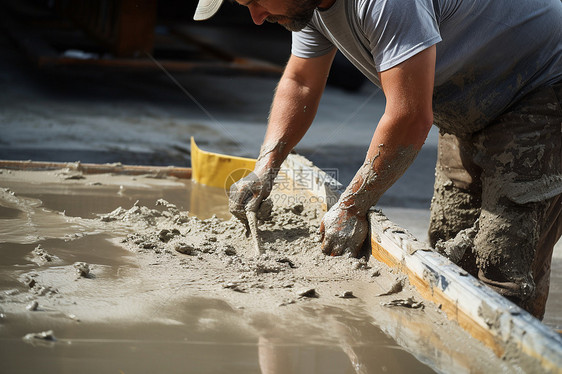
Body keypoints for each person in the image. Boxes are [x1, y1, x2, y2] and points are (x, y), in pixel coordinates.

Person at [193, 0, 562, 319]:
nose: (256, 17)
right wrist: (265, 168)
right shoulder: (304, 9)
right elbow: (301, 82)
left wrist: (352, 206)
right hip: (470, 97)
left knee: (504, 262)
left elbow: (410, 116)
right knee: (452, 253)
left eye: (254, 1)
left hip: (543, 85)